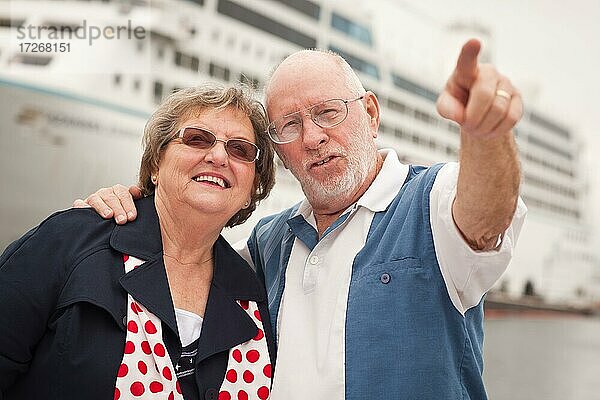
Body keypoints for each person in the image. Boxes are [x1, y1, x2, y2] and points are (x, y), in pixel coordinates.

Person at [76, 39, 527, 399]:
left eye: (328, 112)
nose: (312, 137)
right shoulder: (267, 243)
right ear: (280, 153)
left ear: (370, 114)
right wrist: (128, 212)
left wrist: (485, 135)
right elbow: (182, 258)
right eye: (289, 125)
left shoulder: (430, 203)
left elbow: (485, 217)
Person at [0, 84, 277, 400]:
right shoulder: (71, 242)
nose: (217, 156)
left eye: (240, 149)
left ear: (253, 186)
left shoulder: (254, 294)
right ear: (157, 163)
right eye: (196, 139)